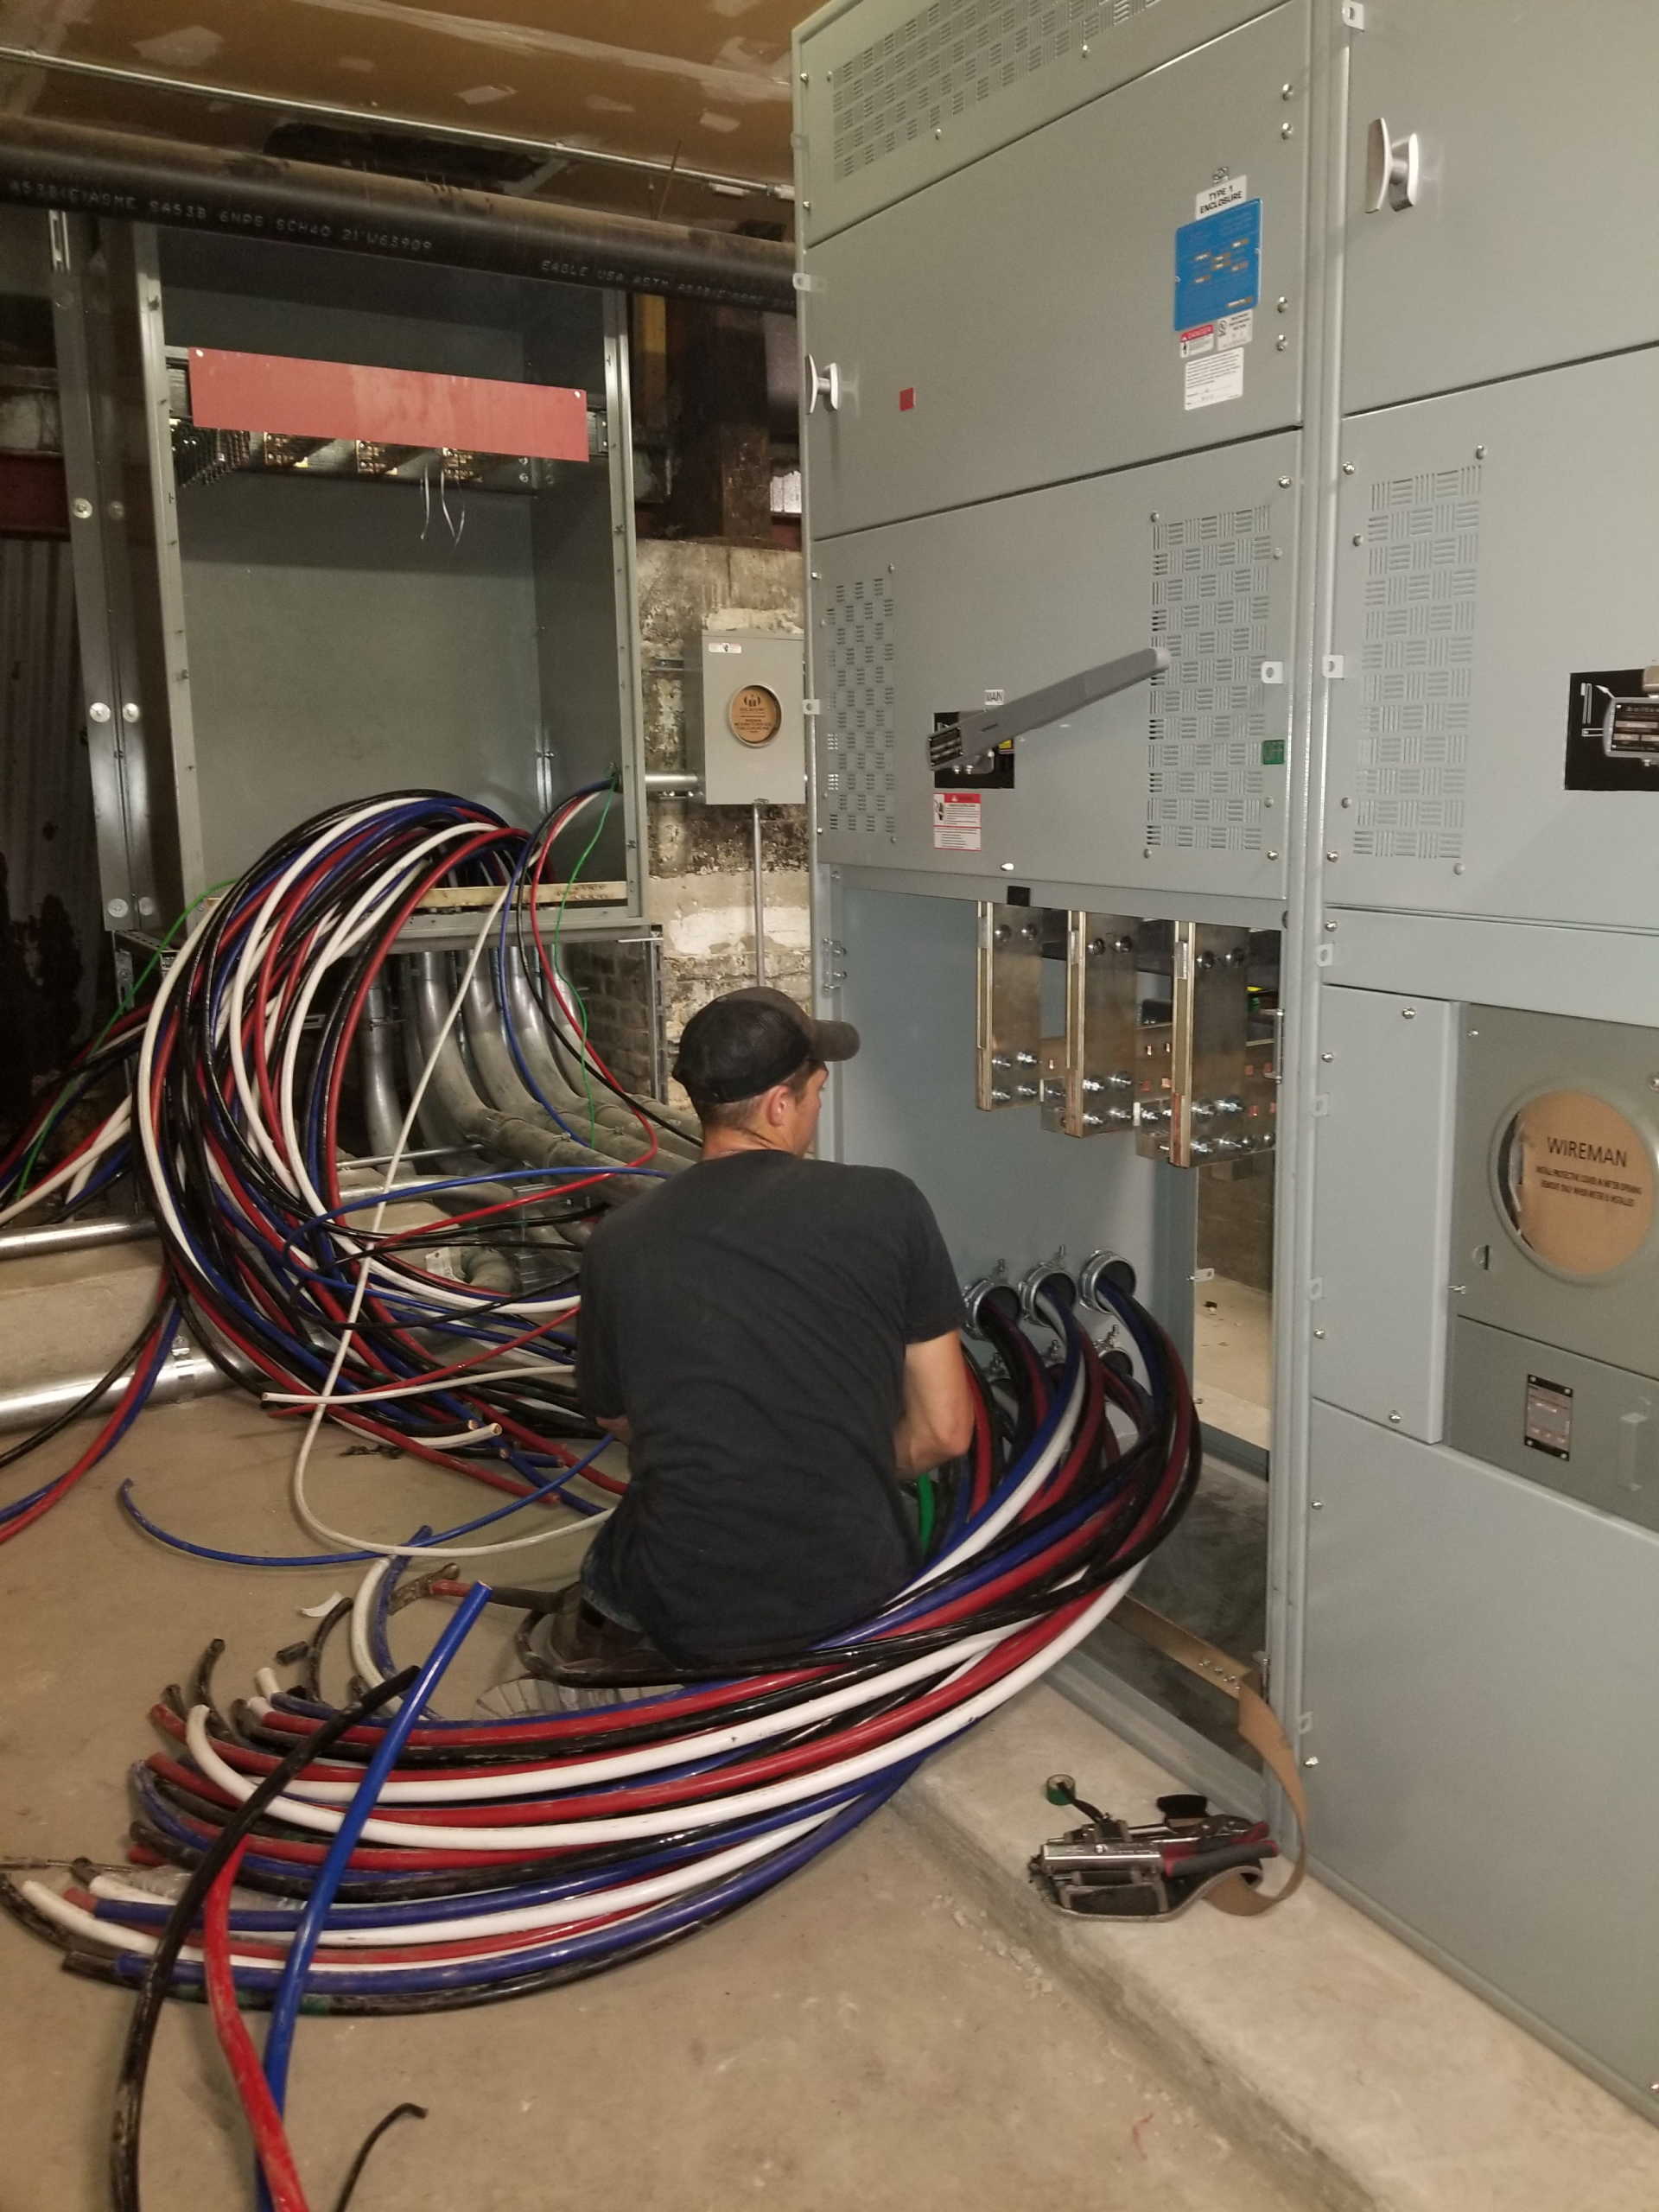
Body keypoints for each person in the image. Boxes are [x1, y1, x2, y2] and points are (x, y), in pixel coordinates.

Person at [565, 985, 976, 1675]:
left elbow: (616, 1417)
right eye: (816, 1090)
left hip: (688, 1605)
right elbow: (943, 1432)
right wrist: (845, 1464)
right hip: (852, 1595)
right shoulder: (887, 1204)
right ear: (780, 1106)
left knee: (614, 1553)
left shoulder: (621, 1239)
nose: (819, 1106)